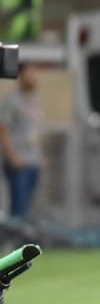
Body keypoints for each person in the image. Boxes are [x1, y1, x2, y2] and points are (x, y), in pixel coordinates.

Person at [0, 63, 42, 221]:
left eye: (34, 73)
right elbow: (3, 129)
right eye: (29, 73)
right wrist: (12, 156)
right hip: (19, 161)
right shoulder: (12, 100)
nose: (33, 77)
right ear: (21, 76)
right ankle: (12, 234)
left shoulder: (35, 99)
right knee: (18, 206)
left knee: (27, 209)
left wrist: (41, 157)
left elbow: (35, 129)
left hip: (33, 161)